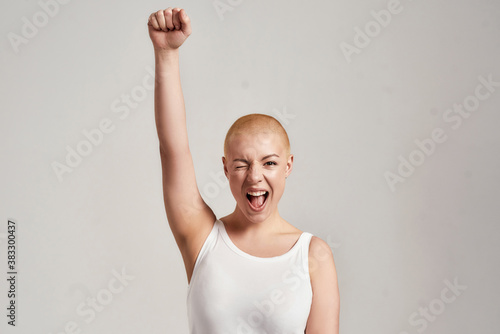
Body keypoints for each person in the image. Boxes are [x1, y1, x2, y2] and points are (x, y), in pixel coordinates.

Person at [148, 7, 340, 333]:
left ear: (288, 166)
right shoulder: (202, 238)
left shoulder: (313, 256)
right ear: (225, 169)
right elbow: (173, 151)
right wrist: (166, 54)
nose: (254, 176)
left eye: (269, 163)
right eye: (241, 164)